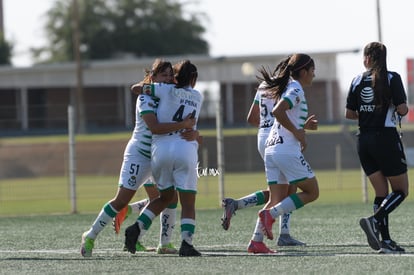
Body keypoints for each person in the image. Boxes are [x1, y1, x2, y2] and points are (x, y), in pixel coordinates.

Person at [80, 59, 196, 257]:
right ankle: (90, 235)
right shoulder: (145, 98)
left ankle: (164, 243)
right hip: (140, 156)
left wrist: (194, 133)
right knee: (121, 201)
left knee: (170, 198)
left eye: (170, 75)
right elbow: (155, 127)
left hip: (159, 156)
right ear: (153, 77)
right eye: (164, 75)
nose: (168, 79)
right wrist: (183, 125)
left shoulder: (170, 95)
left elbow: (186, 119)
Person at [221, 66, 317, 247]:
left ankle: (239, 207)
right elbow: (282, 114)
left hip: (263, 137)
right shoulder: (288, 85)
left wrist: (267, 128)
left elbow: (251, 117)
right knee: (290, 188)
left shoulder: (265, 84)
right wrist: (294, 129)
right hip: (279, 136)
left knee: (279, 191)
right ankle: (284, 233)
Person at [124, 60, 203, 257]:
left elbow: (136, 88)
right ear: (193, 79)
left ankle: (137, 228)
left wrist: (149, 86)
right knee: (188, 202)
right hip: (185, 149)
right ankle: (187, 243)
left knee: (165, 198)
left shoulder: (165, 90)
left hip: (160, 151)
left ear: (175, 77)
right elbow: (191, 126)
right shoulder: (198, 96)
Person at [250, 54, 319, 253]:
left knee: (275, 198)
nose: (314, 74)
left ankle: (256, 241)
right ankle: (270, 215)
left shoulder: (288, 87)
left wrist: (301, 128)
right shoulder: (295, 88)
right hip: (285, 150)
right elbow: (278, 111)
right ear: (304, 71)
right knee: (312, 192)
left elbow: (284, 116)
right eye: (312, 70)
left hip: (272, 149)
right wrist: (298, 133)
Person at [345, 42, 409, 254]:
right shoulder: (392, 78)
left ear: (367, 59)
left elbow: (350, 114)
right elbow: (401, 109)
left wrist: (367, 110)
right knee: (401, 191)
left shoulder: (356, 80)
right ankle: (374, 220)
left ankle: (386, 241)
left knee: (381, 192)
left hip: (364, 140)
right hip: (386, 139)